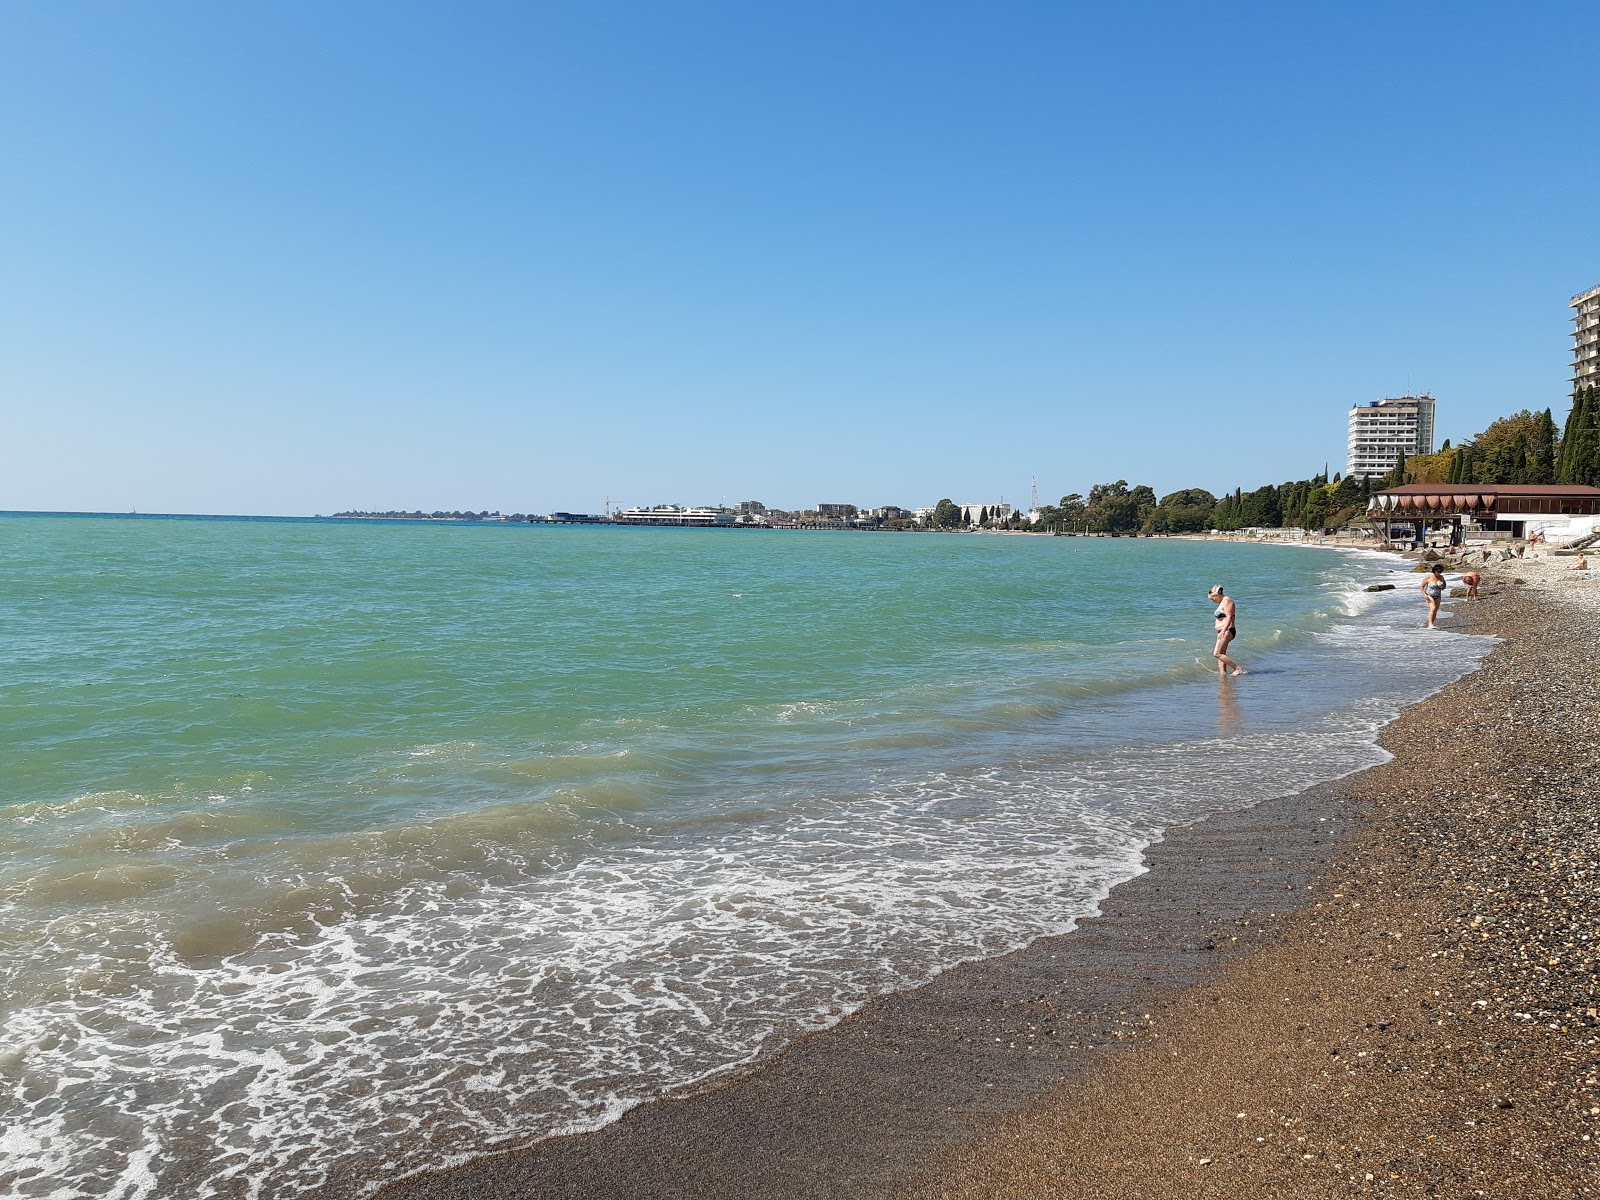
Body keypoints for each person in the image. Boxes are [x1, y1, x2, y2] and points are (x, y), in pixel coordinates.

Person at [1209, 585, 1245, 677]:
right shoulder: (1222, 602)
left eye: (1213, 599)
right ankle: (1223, 674)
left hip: (1227, 631)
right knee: (1222, 654)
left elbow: (1229, 618)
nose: (1212, 601)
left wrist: (1223, 631)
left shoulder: (1227, 601)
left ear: (1217, 595)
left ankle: (1237, 668)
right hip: (1223, 631)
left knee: (1217, 653)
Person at [1421, 563, 1447, 628]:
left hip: (1438, 595)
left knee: (1435, 610)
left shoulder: (1441, 577)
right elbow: (1422, 586)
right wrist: (1424, 595)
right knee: (1433, 608)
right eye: (1438, 572)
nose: (1439, 573)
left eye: (1440, 572)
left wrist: (1441, 584)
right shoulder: (1428, 577)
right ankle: (1430, 624)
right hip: (1429, 595)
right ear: (1434, 570)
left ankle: (1432, 623)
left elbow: (1444, 587)